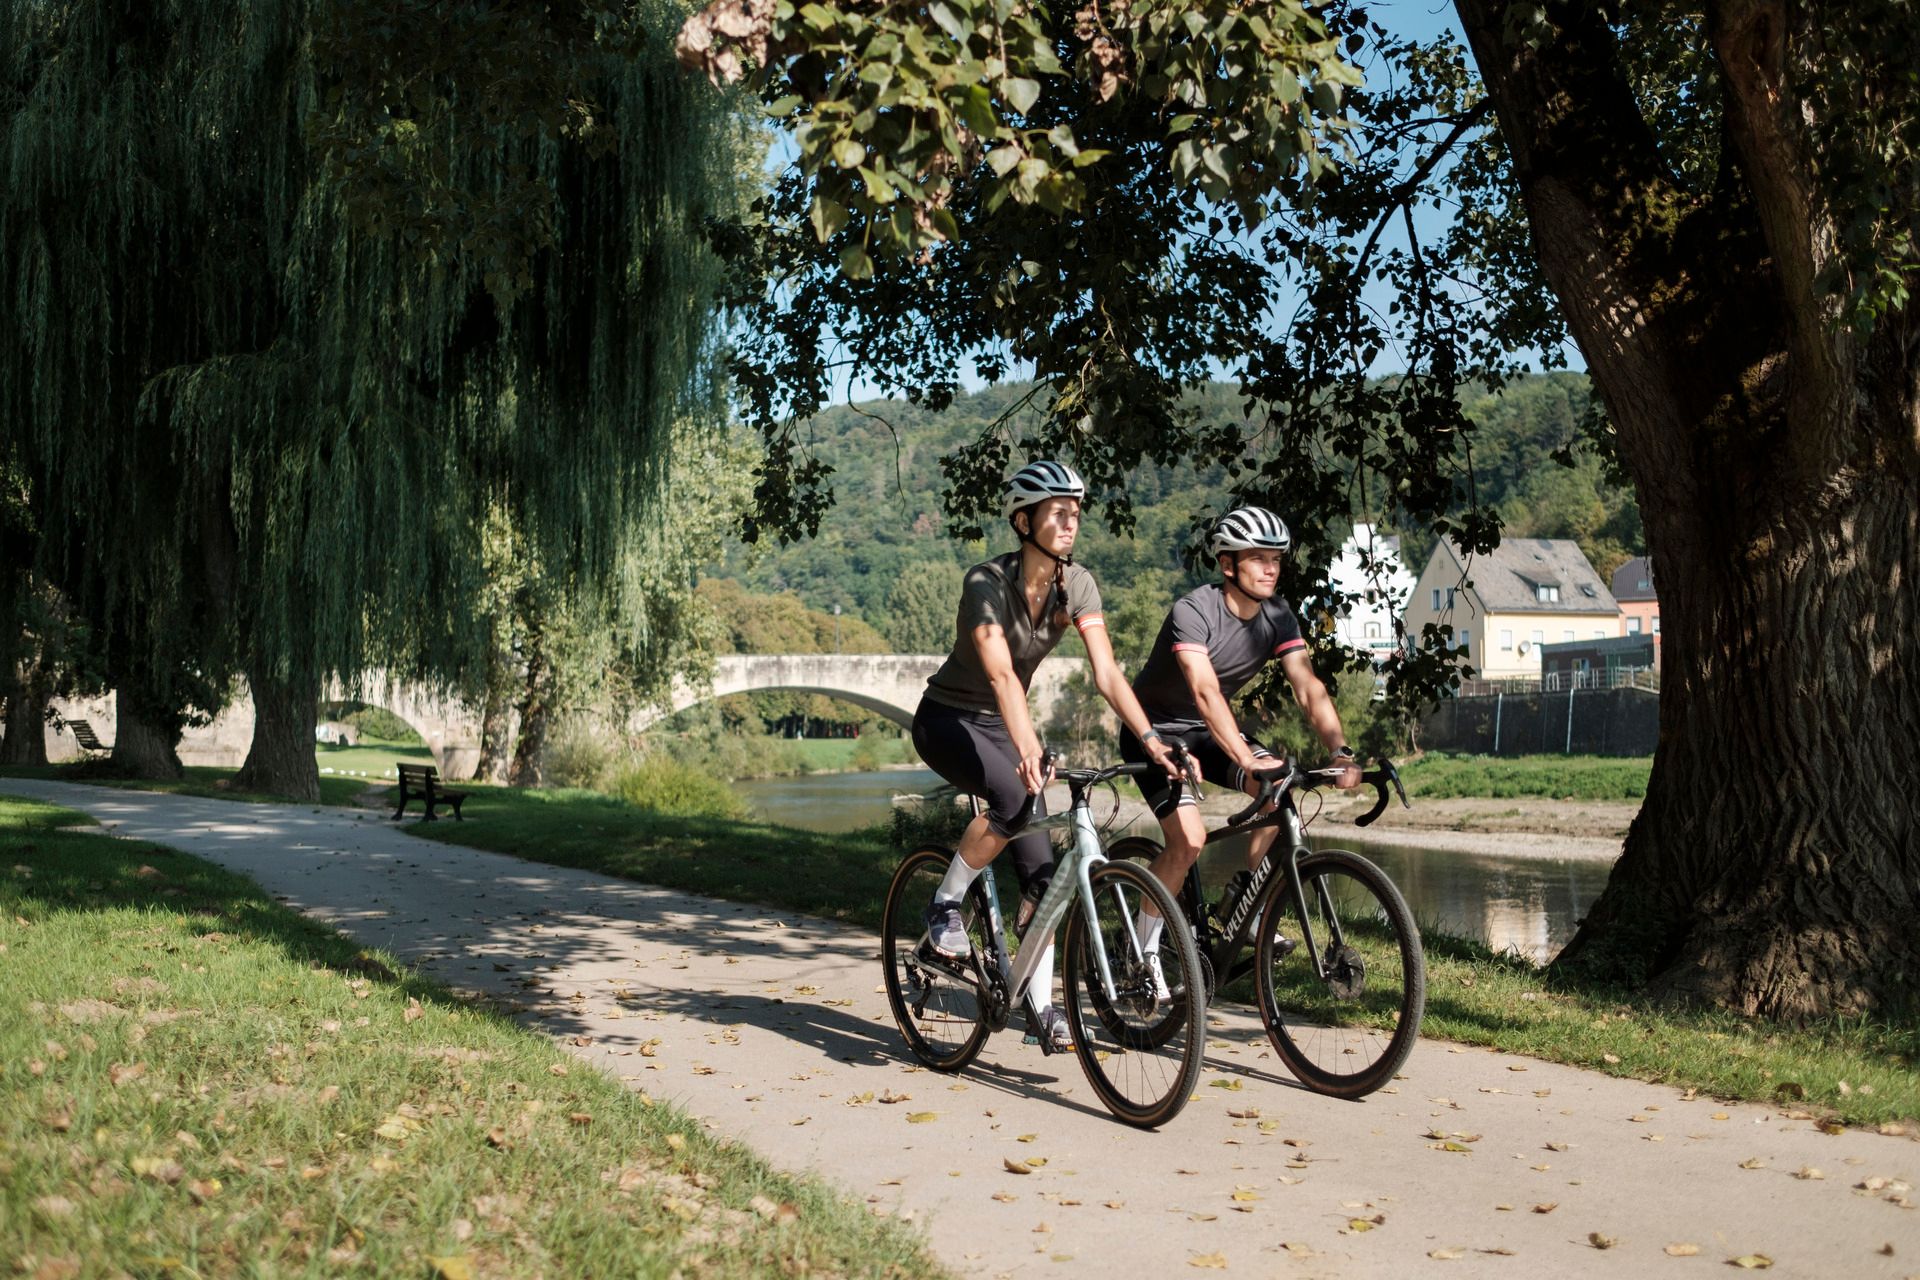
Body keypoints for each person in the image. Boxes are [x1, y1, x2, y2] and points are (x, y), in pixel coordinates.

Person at [911, 460, 1177, 1048]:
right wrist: (1029, 749)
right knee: (1012, 796)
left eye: (1075, 514)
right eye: (1058, 513)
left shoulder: (1075, 584)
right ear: (1024, 520)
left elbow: (1106, 672)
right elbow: (1003, 675)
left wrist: (1152, 738)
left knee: (1043, 877)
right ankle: (944, 904)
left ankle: (1038, 1005)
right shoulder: (985, 584)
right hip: (948, 719)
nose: (1070, 523)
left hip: (1005, 727)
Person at [1119, 506, 1362, 983]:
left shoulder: (1277, 614)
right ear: (1228, 565)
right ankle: (1140, 954)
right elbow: (1206, 692)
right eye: (1257, 558)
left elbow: (1308, 687)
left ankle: (1245, 906)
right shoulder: (1193, 611)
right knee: (1187, 841)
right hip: (1155, 733)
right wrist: (1247, 758)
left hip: (1209, 732)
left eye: (1276, 558)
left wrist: (1340, 750)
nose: (1271, 567)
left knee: (1280, 789)